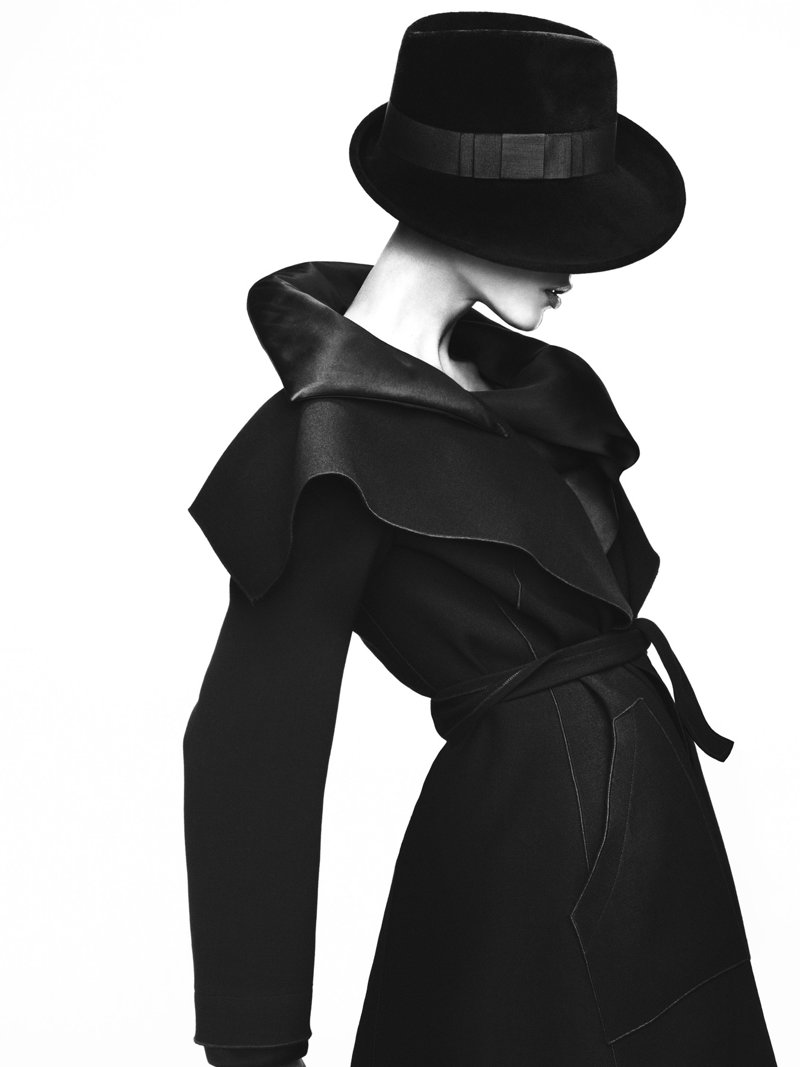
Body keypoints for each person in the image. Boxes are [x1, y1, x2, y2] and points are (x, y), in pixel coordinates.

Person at [183, 13, 779, 1067]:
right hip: (527, 863)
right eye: (558, 229)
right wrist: (253, 1043)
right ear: (460, 204)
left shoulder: (522, 391)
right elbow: (251, 748)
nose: (574, 272)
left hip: (655, 838)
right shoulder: (325, 439)